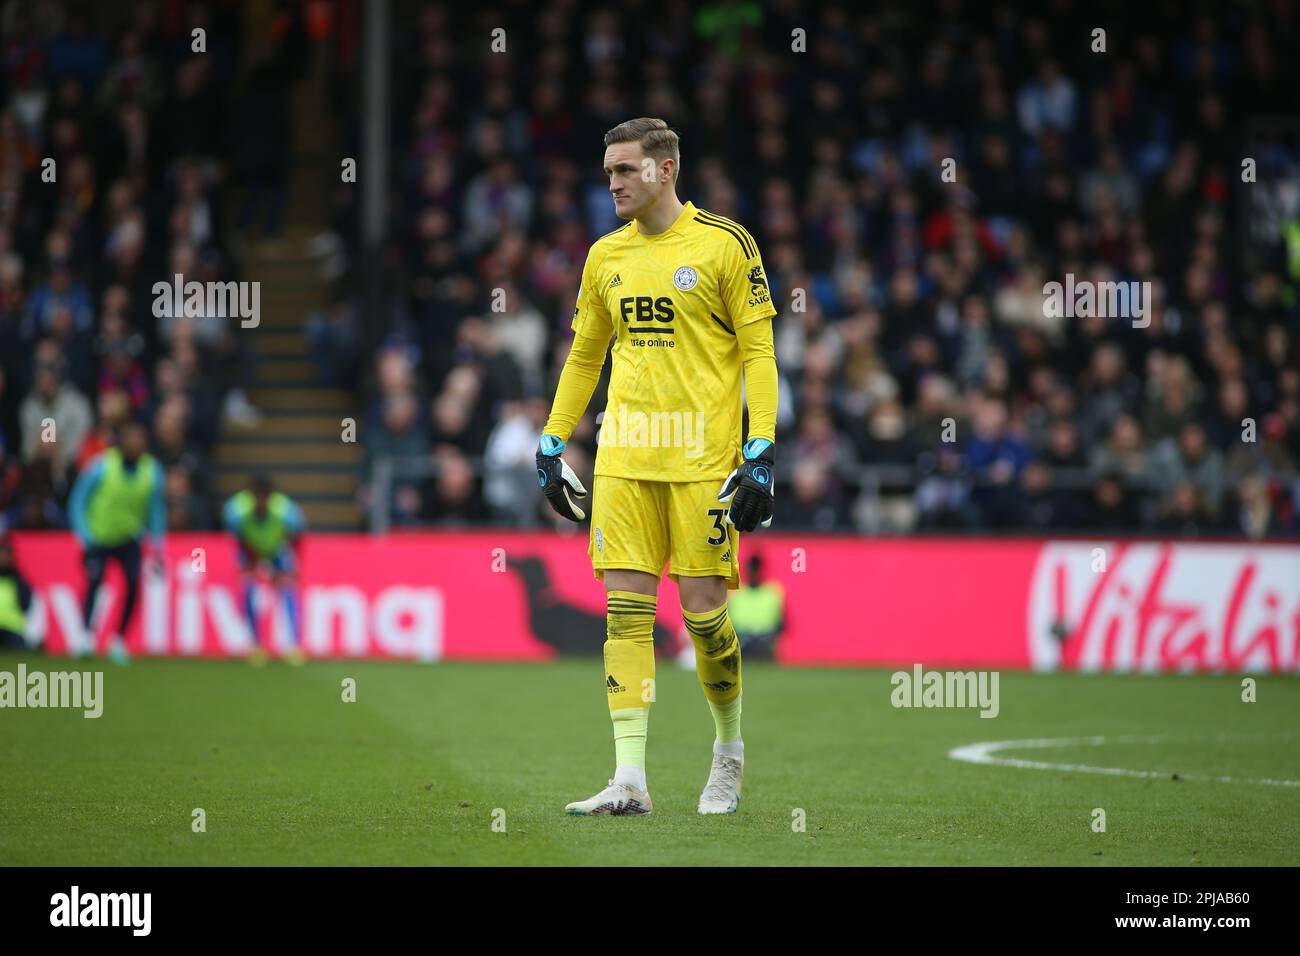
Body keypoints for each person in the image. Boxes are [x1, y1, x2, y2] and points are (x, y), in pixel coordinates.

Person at [536, 118, 779, 815]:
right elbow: (586, 356)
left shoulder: (724, 245)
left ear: (664, 169)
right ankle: (630, 780)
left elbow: (759, 353)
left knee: (705, 619)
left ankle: (727, 752)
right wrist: (554, 441)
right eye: (607, 172)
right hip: (624, 460)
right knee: (626, 618)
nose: (611, 183)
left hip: (703, 462)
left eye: (624, 171)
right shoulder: (604, 256)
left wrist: (759, 447)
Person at [68, 421, 165, 663]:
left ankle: (118, 641)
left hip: (129, 538)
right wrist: (84, 535)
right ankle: (85, 638)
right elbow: (78, 500)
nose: (136, 444)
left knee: (133, 585)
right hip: (98, 537)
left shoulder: (152, 471)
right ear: (121, 442)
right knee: (95, 583)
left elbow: (155, 511)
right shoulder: (101, 465)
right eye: (131, 438)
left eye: (140, 439)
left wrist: (157, 544)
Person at [223, 472, 306, 665]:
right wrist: (250, 563)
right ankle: (255, 645)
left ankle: (293, 645)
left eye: (264, 497)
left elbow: (296, 537)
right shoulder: (236, 510)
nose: (260, 501)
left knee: (288, 591)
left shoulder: (286, 511)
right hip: (251, 550)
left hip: (277, 550)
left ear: (271, 497)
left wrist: (287, 569)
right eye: (257, 497)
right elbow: (237, 537)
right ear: (251, 496)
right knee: (249, 590)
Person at [727, 554, 785, 660]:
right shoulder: (735, 592)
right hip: (742, 644)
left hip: (765, 643)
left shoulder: (772, 592)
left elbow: (782, 624)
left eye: (756, 569)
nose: (754, 573)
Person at [0, 534, 34, 650]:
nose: (3, 559)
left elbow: (26, 603)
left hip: (12, 628)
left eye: (5, 555)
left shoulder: (18, 580)